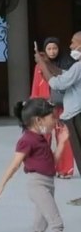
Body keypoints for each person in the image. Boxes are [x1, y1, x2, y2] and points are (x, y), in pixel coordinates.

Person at [0, 97, 81, 232]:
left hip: (48, 184)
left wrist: (63, 142)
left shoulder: (41, 139)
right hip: (38, 185)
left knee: (39, 226)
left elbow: (52, 165)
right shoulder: (27, 140)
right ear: (39, 120)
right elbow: (15, 164)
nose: (55, 121)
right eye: (52, 118)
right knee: (56, 223)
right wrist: (1, 185)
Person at [37, 32, 81, 175]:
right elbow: (64, 74)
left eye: (73, 43)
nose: (71, 46)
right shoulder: (76, 67)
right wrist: (48, 63)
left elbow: (58, 83)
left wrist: (42, 64)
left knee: (78, 152)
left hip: (76, 114)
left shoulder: (78, 66)